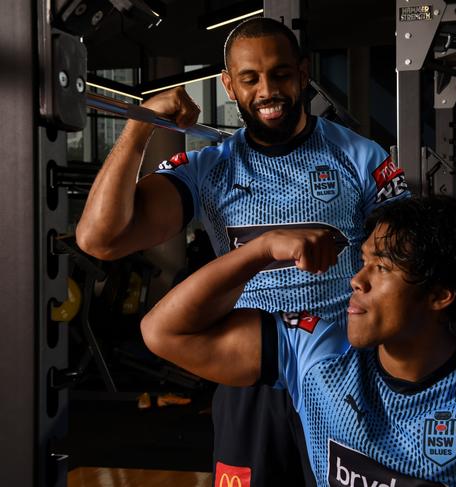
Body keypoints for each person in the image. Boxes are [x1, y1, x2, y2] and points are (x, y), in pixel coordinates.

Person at [75, 17, 408, 486]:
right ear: (229, 86)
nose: (268, 90)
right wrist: (138, 128)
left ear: (303, 73)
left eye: (281, 74)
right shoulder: (208, 167)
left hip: (345, 368)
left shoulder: (358, 156)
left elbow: (409, 261)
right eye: (250, 78)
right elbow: (100, 239)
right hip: (249, 366)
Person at [141, 195, 456, 487]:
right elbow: (163, 332)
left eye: (381, 268)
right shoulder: (320, 354)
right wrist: (262, 250)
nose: (355, 281)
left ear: (441, 294)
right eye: (362, 262)